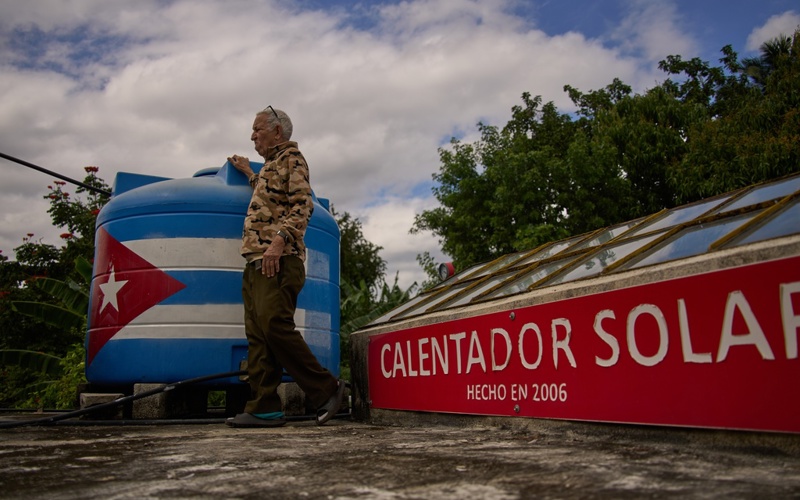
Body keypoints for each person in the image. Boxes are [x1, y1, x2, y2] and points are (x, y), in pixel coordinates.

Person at [226, 106, 344, 428]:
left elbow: (302, 204)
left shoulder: (293, 160)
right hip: (255, 260)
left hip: (278, 259)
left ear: (277, 132)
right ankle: (264, 406)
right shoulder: (269, 168)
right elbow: (268, 195)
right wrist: (247, 171)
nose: (252, 136)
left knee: (275, 325)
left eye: (257, 130)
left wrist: (278, 242)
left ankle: (328, 389)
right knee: (258, 334)